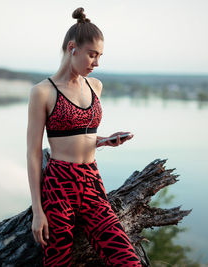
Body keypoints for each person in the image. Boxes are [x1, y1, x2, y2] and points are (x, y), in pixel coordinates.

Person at [26, 7, 142, 267]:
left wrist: (102, 141)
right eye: (92, 55)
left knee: (127, 260)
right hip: (59, 184)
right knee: (58, 262)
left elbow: (80, 133)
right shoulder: (42, 92)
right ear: (72, 48)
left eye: (99, 56)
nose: (96, 63)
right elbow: (34, 153)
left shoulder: (95, 86)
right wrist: (37, 210)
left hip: (91, 181)